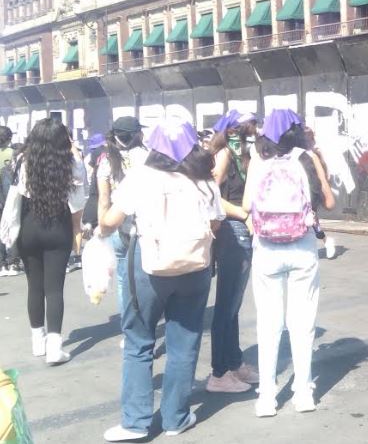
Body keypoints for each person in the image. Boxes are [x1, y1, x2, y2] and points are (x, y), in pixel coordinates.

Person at [100, 121, 223, 442]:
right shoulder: (203, 180)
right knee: (184, 343)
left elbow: (110, 222)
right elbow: (215, 224)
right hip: (195, 268)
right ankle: (176, 417)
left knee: (139, 343)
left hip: (149, 267)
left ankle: (136, 421)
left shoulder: (141, 176)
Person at [243, 109, 334, 418]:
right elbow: (326, 201)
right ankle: (304, 392)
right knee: (303, 322)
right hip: (302, 247)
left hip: (267, 248)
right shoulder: (307, 159)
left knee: (269, 324)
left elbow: (245, 206)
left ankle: (266, 397)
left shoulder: (258, 161)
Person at [15, 118, 87, 364]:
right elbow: (78, 203)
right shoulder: (73, 163)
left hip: (30, 225)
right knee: (55, 288)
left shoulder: (25, 161)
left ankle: (38, 341)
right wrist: (77, 230)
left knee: (34, 285)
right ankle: (55, 347)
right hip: (59, 225)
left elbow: (22, 193)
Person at [205, 110, 259, 393]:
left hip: (238, 229)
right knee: (226, 305)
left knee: (233, 305)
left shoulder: (239, 153)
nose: (255, 130)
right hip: (232, 231)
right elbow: (211, 193)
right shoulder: (225, 153)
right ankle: (219, 372)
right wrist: (241, 213)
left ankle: (233, 362)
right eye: (251, 125)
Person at [96, 117, 148, 319]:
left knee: (122, 279)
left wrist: (103, 227)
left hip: (117, 225)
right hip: (144, 225)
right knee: (144, 279)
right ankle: (144, 326)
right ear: (138, 135)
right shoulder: (148, 157)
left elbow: (103, 199)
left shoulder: (106, 160)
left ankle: (129, 328)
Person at [302, 127, 335, 259]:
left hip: (312, 191)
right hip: (302, 190)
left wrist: (324, 189)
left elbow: (324, 175)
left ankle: (326, 240)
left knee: (312, 219)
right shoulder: (297, 154)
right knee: (311, 221)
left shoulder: (314, 155)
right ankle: (325, 240)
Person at [0, 126, 19, 276]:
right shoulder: (13, 153)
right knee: (13, 225)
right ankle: (13, 262)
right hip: (10, 196)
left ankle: (1, 264)